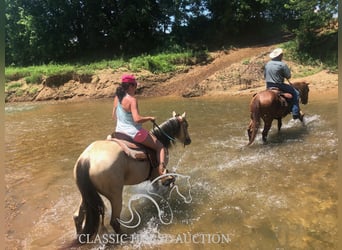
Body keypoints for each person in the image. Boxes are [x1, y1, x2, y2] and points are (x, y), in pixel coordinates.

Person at [112, 74, 168, 177]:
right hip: (133, 133)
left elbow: (114, 116)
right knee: (160, 147)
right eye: (135, 85)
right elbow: (137, 119)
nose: (136, 88)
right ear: (130, 86)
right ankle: (162, 172)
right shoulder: (132, 100)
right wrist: (149, 118)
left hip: (119, 131)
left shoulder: (117, 98)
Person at [264, 48, 304, 121]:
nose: (282, 56)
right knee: (296, 93)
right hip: (279, 85)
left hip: (268, 85)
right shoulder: (282, 64)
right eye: (281, 55)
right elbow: (288, 76)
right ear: (279, 56)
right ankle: (295, 113)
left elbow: (265, 76)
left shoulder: (267, 64)